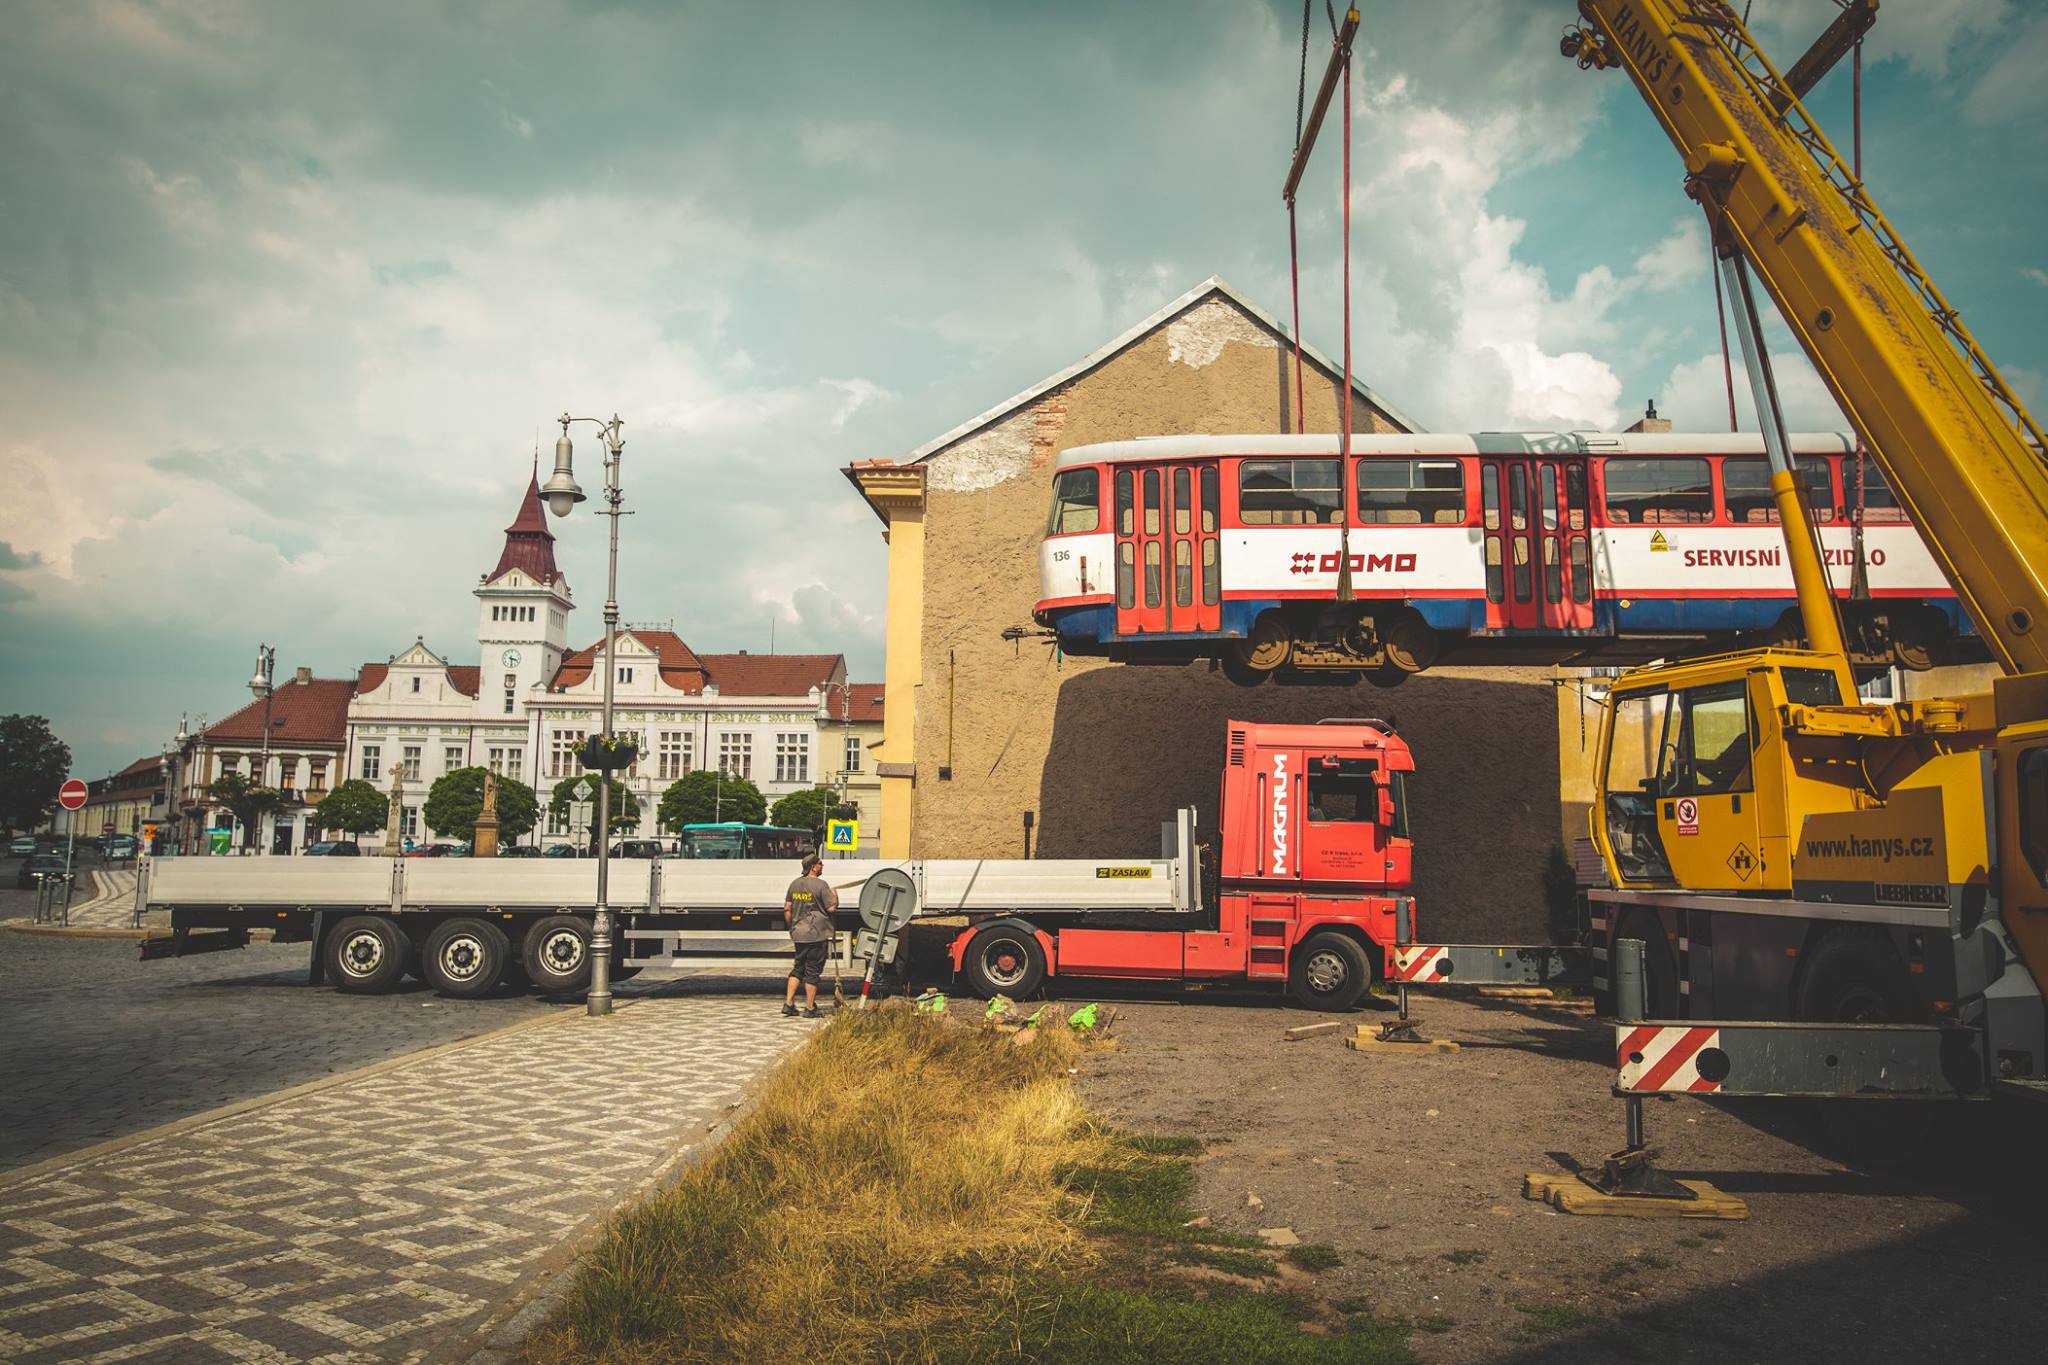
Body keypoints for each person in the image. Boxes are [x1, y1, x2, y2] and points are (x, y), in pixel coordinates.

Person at [782, 852, 837, 1018]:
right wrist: (835, 896)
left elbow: (787, 908)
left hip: (799, 933)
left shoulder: (794, 884)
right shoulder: (821, 885)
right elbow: (831, 908)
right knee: (812, 971)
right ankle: (810, 1007)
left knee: (798, 969)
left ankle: (789, 1003)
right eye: (820, 863)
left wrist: (791, 927)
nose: (822, 866)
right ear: (813, 867)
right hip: (816, 934)